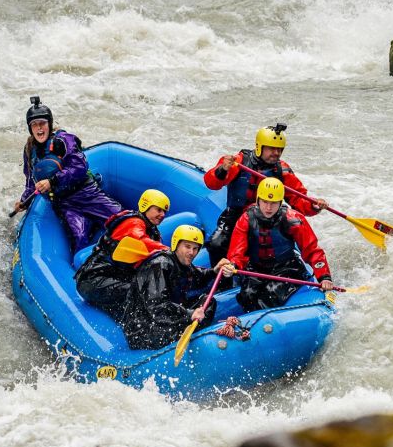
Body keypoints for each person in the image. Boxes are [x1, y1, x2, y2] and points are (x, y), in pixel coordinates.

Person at [203, 123, 328, 267]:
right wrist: (223, 169)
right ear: (259, 146)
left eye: (279, 149)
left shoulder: (282, 170)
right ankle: (222, 279)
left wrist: (314, 205)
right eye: (272, 148)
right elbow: (211, 183)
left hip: (269, 218)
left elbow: (299, 198)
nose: (276, 153)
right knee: (216, 244)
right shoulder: (238, 162)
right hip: (236, 216)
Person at [14, 96, 121, 252]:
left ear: (49, 124)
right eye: (34, 125)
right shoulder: (30, 149)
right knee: (79, 241)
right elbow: (32, 181)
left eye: (42, 123)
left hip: (86, 193)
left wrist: (52, 181)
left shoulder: (63, 140)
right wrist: (25, 201)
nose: (39, 128)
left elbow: (79, 167)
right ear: (30, 128)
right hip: (64, 204)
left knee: (122, 220)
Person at [121, 224, 241, 350]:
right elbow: (157, 307)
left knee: (208, 301)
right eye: (187, 246)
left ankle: (195, 338)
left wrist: (215, 271)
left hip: (166, 317)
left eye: (195, 248)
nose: (191, 252)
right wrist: (190, 314)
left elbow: (198, 278)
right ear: (176, 245)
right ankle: (192, 345)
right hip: (143, 328)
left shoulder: (181, 263)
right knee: (185, 316)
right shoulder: (159, 265)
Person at [226, 177, 333, 313]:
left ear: (280, 202)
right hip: (256, 268)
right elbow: (237, 250)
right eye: (265, 202)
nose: (269, 207)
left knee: (268, 296)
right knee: (247, 296)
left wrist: (324, 277)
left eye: (274, 203)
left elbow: (312, 250)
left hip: (287, 269)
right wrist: (233, 265)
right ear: (258, 200)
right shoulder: (246, 219)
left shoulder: (293, 219)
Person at [74, 189, 171, 320]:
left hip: (114, 281)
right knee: (140, 295)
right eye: (158, 210)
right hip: (93, 280)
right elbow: (140, 240)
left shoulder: (153, 233)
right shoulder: (133, 223)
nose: (162, 214)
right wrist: (171, 253)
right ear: (146, 206)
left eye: (164, 211)